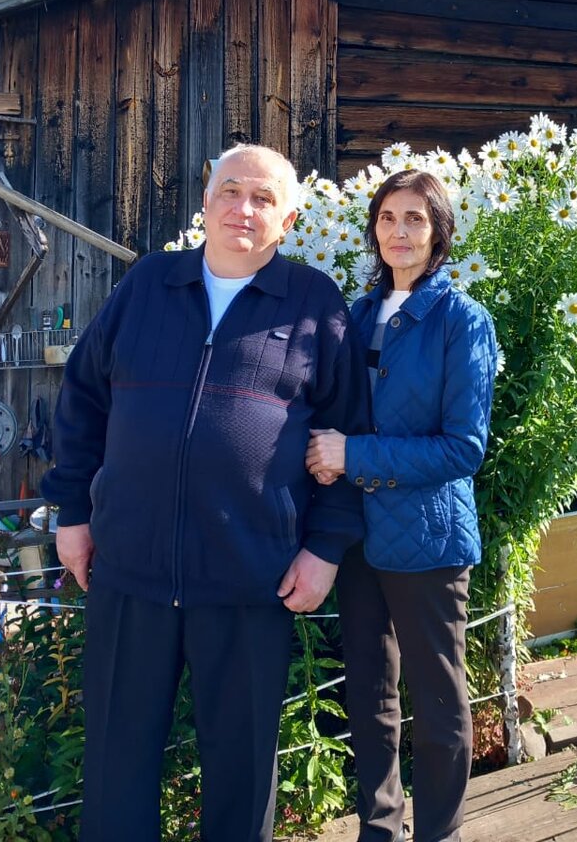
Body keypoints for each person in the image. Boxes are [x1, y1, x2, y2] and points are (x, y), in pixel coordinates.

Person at [41, 144, 369, 842]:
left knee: (242, 771)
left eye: (261, 199)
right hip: (130, 573)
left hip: (252, 582)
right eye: (229, 192)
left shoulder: (314, 304)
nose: (241, 210)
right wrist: (72, 513)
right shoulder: (149, 284)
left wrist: (325, 548)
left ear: (288, 218)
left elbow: (348, 433)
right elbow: (82, 401)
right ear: (206, 200)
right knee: (115, 766)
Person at [306, 169, 497, 842]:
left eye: (416, 219)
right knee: (369, 697)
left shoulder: (462, 321)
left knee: (439, 702)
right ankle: (379, 829)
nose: (400, 232)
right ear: (374, 230)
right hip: (357, 537)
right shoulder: (355, 315)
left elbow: (462, 449)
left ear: (440, 232)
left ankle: (438, 834)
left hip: (428, 540)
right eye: (388, 218)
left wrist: (352, 456)